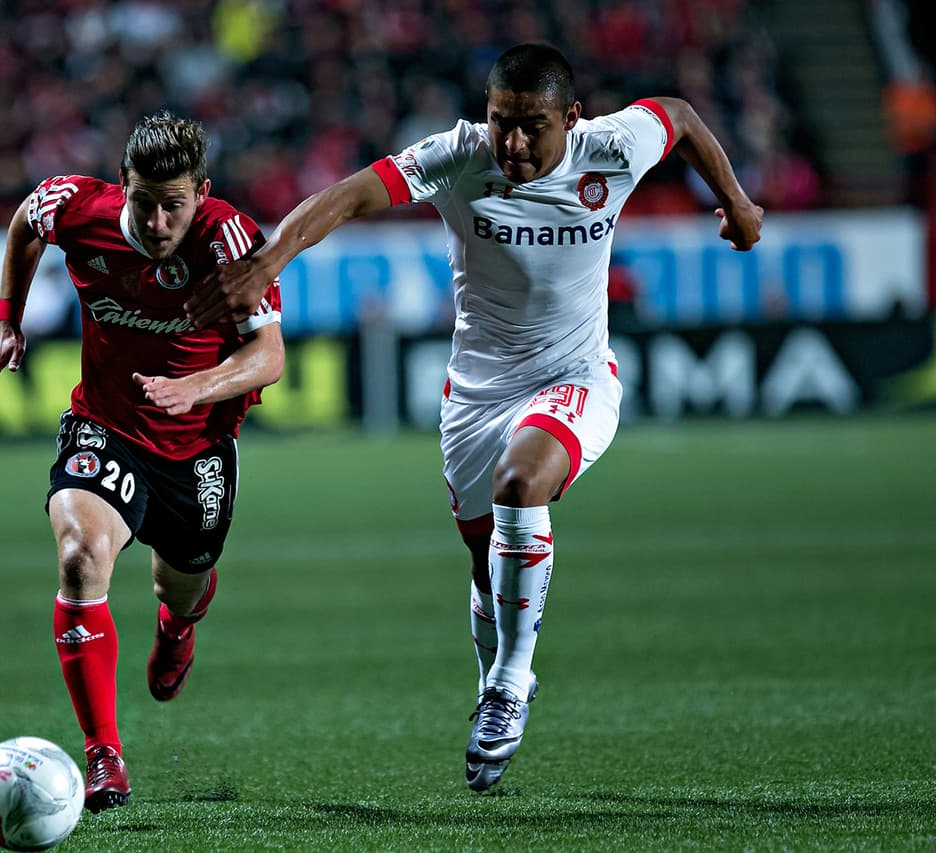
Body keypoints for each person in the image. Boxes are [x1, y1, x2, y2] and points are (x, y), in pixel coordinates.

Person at [186, 43, 762, 791]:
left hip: (576, 378)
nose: (514, 144)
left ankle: (509, 685)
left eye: (532, 127)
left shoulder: (612, 149)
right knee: (488, 568)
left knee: (522, 484)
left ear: (572, 120)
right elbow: (354, 194)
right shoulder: (460, 153)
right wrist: (268, 260)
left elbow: (681, 117)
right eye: (502, 123)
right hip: (475, 396)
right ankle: (500, 665)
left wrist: (738, 201)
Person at [0, 112, 284, 812]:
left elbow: (269, 356)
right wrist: (6, 320)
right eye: (145, 200)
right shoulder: (78, 210)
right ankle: (104, 754)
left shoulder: (228, 239)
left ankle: (177, 628)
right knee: (80, 556)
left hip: (196, 444)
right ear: (124, 185)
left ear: (201, 192)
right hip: (104, 426)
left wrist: (193, 388)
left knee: (184, 586)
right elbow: (26, 220)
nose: (159, 219)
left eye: (175, 203)